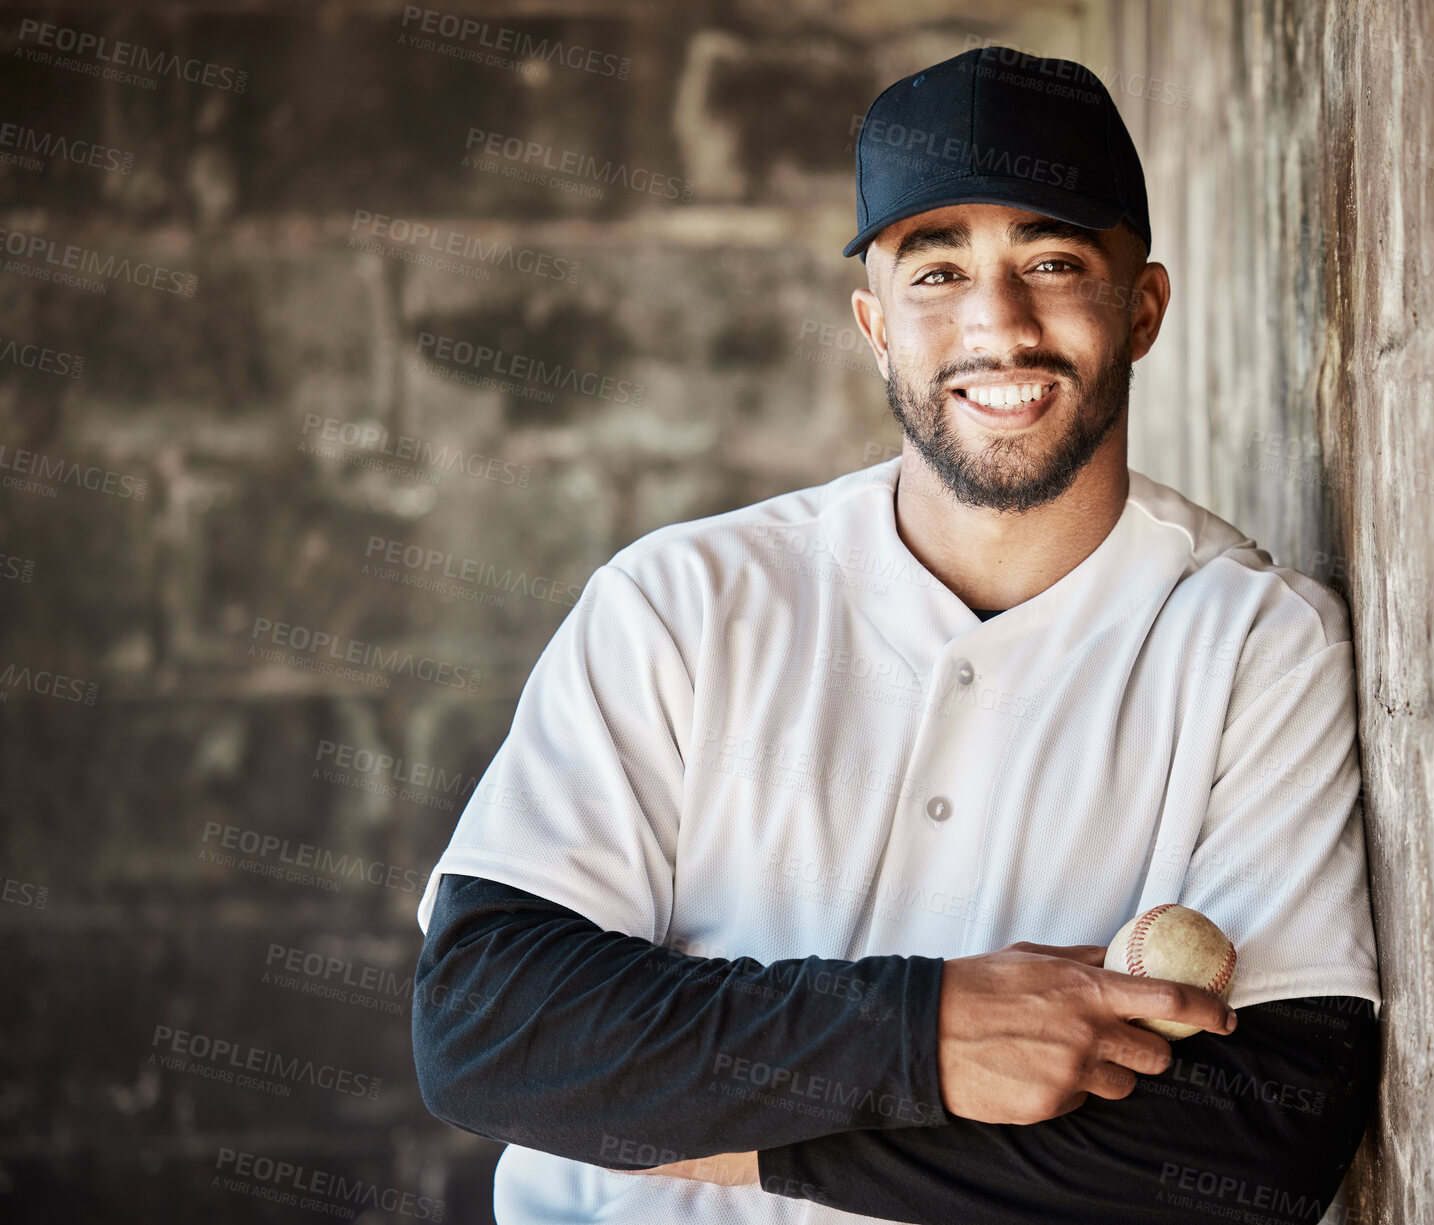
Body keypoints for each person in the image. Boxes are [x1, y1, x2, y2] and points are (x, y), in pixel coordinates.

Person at [411, 44, 1381, 1225]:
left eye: (1054, 259)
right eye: (937, 273)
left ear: (1143, 308)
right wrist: (921, 1035)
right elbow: (485, 1023)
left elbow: (1257, 1140)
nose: (999, 323)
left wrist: (704, 1128)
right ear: (875, 325)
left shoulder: (1255, 648)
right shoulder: (683, 599)